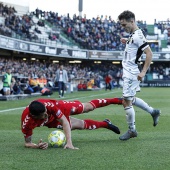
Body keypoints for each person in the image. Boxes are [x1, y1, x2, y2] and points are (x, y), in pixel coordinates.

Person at [118, 10, 161, 140]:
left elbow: (149, 54)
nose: (123, 27)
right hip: (128, 71)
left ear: (132, 21)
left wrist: (143, 72)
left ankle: (132, 130)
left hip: (131, 72)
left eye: (124, 25)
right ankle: (153, 112)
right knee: (130, 99)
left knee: (126, 101)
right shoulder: (133, 35)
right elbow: (135, 46)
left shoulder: (137, 35)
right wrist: (126, 41)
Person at [21, 97, 122, 150]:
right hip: (52, 122)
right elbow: (27, 143)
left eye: (46, 112)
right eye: (43, 115)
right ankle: (105, 124)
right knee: (80, 125)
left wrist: (69, 143)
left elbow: (64, 121)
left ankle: (116, 100)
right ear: (34, 116)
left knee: (87, 107)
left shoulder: (49, 106)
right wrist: (36, 146)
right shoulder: (26, 123)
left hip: (60, 107)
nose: (46, 114)